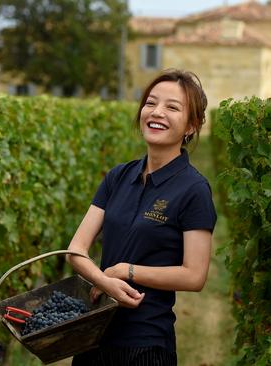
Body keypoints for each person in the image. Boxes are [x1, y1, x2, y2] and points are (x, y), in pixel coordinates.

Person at [66, 69, 217, 366]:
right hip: (92, 333)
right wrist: (104, 280)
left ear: (192, 125)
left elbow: (194, 275)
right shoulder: (118, 177)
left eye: (172, 107)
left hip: (145, 344)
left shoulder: (194, 189)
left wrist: (126, 270)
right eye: (150, 102)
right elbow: (76, 250)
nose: (157, 112)